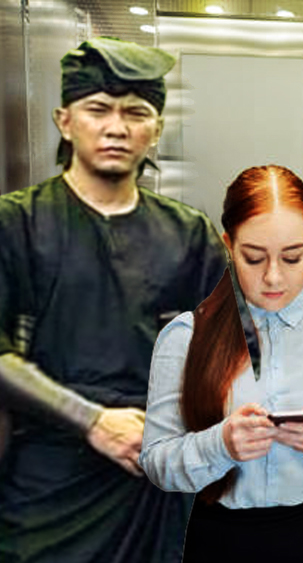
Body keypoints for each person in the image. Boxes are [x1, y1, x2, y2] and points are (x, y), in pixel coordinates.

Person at [0, 37, 227, 562]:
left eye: (136, 113)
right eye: (98, 110)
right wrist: (93, 421)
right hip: (49, 472)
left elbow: (231, 350)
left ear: (157, 130)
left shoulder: (187, 233)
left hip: (153, 472)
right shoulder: (18, 223)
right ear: (64, 121)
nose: (117, 127)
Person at [140, 165, 303, 562]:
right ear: (229, 243)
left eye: (293, 258)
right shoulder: (185, 337)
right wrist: (220, 444)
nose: (273, 277)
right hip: (220, 542)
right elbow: (157, 463)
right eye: (254, 258)